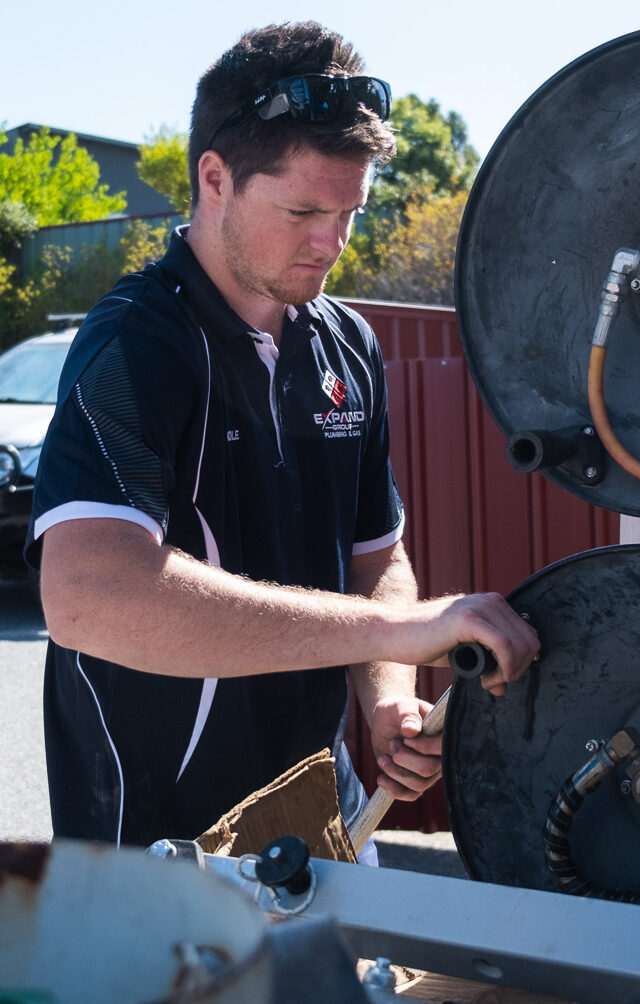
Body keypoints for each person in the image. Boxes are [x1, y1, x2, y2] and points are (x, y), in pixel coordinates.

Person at [25, 21, 539, 858]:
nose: (331, 243)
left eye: (350, 212)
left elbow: (378, 559)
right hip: (161, 847)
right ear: (215, 177)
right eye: (303, 209)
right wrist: (395, 634)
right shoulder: (134, 344)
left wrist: (388, 697)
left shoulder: (348, 344)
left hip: (319, 810)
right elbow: (87, 597)